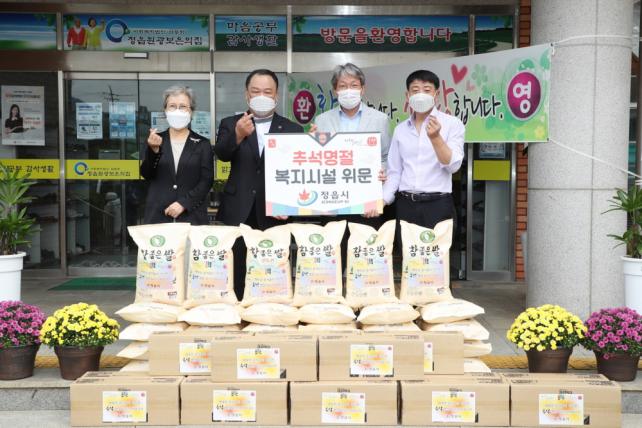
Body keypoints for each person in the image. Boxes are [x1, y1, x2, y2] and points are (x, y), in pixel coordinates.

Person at [215, 69, 303, 299]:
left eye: (267, 92)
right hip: (239, 207)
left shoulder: (292, 128)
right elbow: (222, 154)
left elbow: (298, 172)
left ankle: (271, 309)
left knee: (272, 269)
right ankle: (239, 308)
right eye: (255, 91)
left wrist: (314, 145)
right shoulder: (230, 123)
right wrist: (238, 134)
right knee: (238, 268)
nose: (261, 96)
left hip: (275, 210)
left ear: (276, 96)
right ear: (247, 95)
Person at [313, 63, 391, 266]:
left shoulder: (380, 119)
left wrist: (382, 174)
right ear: (335, 90)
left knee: (365, 260)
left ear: (362, 89)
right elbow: (315, 159)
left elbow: (385, 156)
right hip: (332, 202)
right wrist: (310, 142)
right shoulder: (322, 120)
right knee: (333, 259)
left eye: (354, 85)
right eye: (343, 85)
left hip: (366, 203)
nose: (349, 90)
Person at [383, 69, 465, 230]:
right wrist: (383, 200)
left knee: (437, 247)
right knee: (407, 247)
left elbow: (453, 166)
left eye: (427, 90)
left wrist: (436, 138)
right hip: (406, 204)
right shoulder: (400, 129)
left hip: (438, 204)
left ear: (436, 94)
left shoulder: (452, 124)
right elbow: (395, 172)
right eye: (415, 90)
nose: (421, 94)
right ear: (407, 96)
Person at [140, 85, 214, 225]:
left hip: (192, 217)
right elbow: (146, 174)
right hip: (158, 215)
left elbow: (207, 180)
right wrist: (154, 151)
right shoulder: (155, 140)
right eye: (172, 106)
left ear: (191, 112)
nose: (177, 111)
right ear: (165, 110)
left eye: (183, 106)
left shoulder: (202, 144)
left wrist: (184, 203)